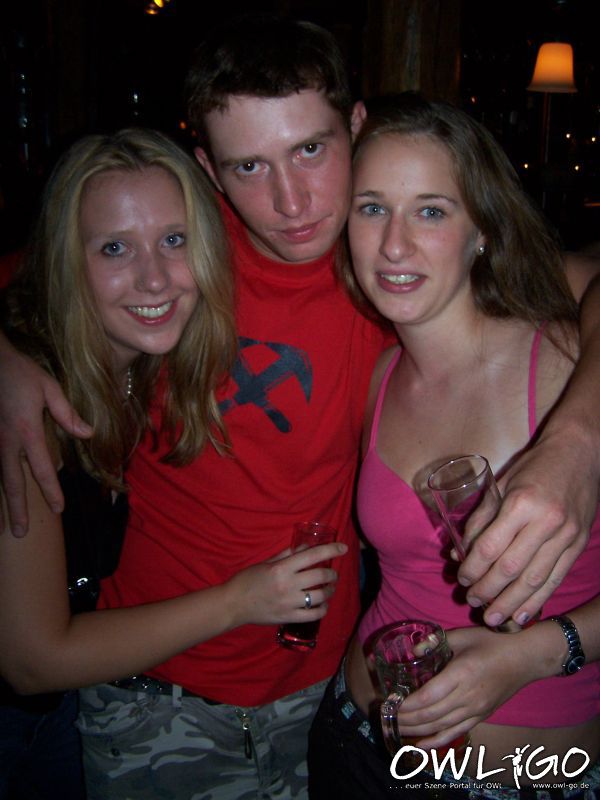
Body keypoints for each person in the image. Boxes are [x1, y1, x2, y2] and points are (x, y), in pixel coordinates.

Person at [0, 15, 599, 800]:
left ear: (355, 128)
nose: (290, 201)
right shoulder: (174, 254)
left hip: (318, 699)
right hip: (161, 702)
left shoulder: (395, 267)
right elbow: (47, 279)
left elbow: (583, 279)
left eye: (311, 149)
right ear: (210, 170)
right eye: (249, 165)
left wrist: (578, 440)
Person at [0, 127, 345, 800]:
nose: (154, 277)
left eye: (175, 240)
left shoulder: (137, 366)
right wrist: (241, 600)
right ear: (66, 261)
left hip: (73, 712)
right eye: (115, 248)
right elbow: (31, 660)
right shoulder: (31, 414)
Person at [307, 94, 600, 799]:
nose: (394, 245)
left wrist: (530, 656)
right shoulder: (379, 374)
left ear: (483, 233)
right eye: (372, 208)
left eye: (431, 211)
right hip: (357, 740)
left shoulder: (568, 364)